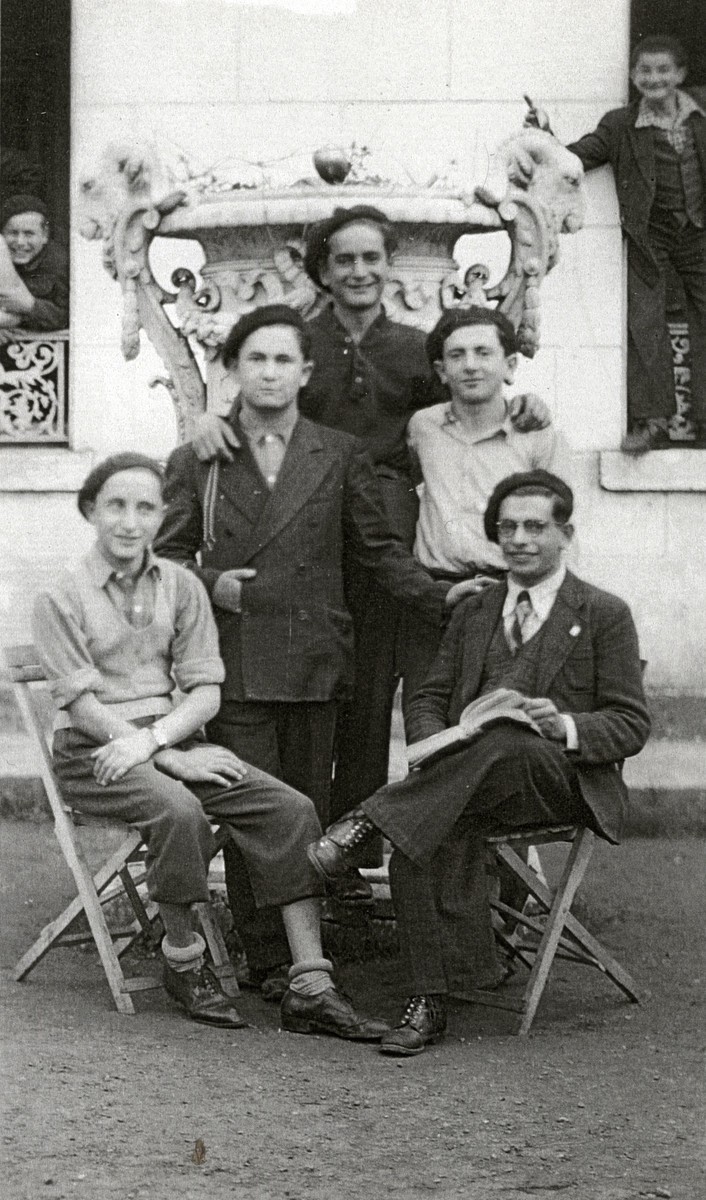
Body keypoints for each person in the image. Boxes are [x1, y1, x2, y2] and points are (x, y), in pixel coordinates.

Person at [189, 206, 549, 832]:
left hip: (390, 542)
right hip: (305, 537)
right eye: (344, 260)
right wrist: (205, 421)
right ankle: (297, 840)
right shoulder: (298, 343)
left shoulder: (416, 348)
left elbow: (464, 416)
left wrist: (522, 403)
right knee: (315, 701)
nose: (359, 272)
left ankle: (355, 847)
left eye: (371, 258)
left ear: (389, 265)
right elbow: (252, 406)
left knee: (374, 701)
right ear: (323, 271)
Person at [155, 304, 477, 998]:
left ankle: (310, 949)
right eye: (256, 360)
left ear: (304, 372)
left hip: (317, 657)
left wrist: (436, 597)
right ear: (233, 370)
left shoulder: (338, 452)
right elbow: (166, 555)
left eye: (282, 361)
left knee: (308, 800)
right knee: (251, 806)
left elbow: (378, 550)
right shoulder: (199, 458)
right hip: (236, 659)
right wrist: (214, 585)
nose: (269, 373)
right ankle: (271, 957)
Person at [32, 451, 389, 1042]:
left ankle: (310, 984)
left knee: (291, 808)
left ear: (160, 515)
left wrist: (161, 743)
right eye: (116, 505)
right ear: (91, 510)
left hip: (168, 739)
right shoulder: (62, 596)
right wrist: (164, 754)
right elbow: (83, 709)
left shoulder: (179, 586)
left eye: (145, 507)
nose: (130, 521)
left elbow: (205, 691)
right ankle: (184, 961)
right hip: (94, 753)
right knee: (178, 810)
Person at [308, 470, 651, 1055]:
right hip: (467, 781)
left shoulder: (601, 612)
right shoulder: (475, 608)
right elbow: (428, 695)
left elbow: (630, 723)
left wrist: (562, 725)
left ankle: (366, 818)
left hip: (557, 780)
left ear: (564, 533)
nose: (519, 538)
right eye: (507, 527)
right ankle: (426, 1002)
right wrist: (433, 742)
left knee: (505, 741)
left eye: (535, 526)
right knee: (422, 826)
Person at [532, 36, 706, 452]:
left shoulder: (701, 115)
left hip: (700, 232)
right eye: (645, 70)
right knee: (646, 321)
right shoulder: (620, 124)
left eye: (664, 70)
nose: (654, 78)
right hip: (652, 238)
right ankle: (654, 421)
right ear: (633, 76)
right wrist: (544, 137)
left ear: (680, 74)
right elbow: (577, 158)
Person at [400, 306, 571, 711]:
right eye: (457, 356)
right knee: (429, 717)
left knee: (502, 721)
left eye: (483, 352)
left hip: (509, 593)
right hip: (438, 596)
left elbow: (562, 525)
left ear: (509, 364)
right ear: (441, 371)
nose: (470, 366)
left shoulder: (535, 433)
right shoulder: (421, 428)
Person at [0, 194, 69, 338]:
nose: (20, 242)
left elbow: (68, 317)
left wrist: (30, 306)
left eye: (29, 234)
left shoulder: (60, 265)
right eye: (13, 233)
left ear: (44, 236)